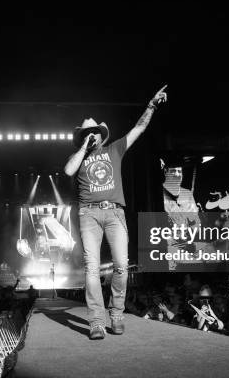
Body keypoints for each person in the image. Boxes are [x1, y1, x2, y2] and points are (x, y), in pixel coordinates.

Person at [64, 85, 167, 339]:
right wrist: (82, 148)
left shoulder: (115, 149)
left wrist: (151, 105)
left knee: (121, 265)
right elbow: (68, 171)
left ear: (101, 135)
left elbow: (139, 129)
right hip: (88, 215)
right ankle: (96, 322)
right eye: (87, 134)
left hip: (114, 214)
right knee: (92, 268)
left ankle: (117, 314)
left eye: (94, 133)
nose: (91, 136)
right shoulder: (79, 156)